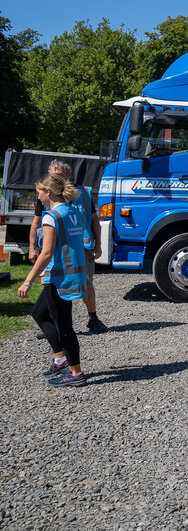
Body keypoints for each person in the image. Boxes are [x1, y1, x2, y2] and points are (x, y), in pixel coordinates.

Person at [17, 174, 88, 387]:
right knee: (39, 313)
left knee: (64, 325)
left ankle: (76, 372)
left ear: (48, 192)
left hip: (60, 277)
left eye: (39, 192)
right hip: (71, 273)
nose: (37, 197)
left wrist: (27, 280)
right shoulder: (73, 211)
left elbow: (46, 253)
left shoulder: (52, 217)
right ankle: (60, 359)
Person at [29, 160, 105, 333]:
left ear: (69, 175)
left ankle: (92, 318)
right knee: (51, 284)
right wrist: (32, 247)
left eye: (59, 175)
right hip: (54, 247)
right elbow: (36, 222)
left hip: (80, 247)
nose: (55, 178)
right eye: (52, 174)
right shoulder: (45, 195)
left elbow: (94, 221)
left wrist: (98, 245)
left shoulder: (83, 193)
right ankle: (50, 321)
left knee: (86, 284)